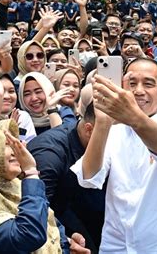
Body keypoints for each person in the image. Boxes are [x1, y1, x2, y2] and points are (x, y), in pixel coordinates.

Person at [71, 58, 157, 253]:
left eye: (148, 83)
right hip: (116, 243)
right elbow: (89, 176)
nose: (138, 91)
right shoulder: (114, 130)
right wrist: (103, 122)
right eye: (132, 83)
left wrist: (133, 117)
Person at [0, 119, 89, 253]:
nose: (17, 150)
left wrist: (64, 243)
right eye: (6, 145)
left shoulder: (14, 184)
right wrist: (31, 172)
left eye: (15, 142)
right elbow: (28, 235)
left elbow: (47, 220)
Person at [27, 90, 105, 252]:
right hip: (57, 215)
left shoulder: (87, 132)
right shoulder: (49, 155)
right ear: (90, 130)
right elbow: (36, 208)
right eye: (114, 134)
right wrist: (63, 239)